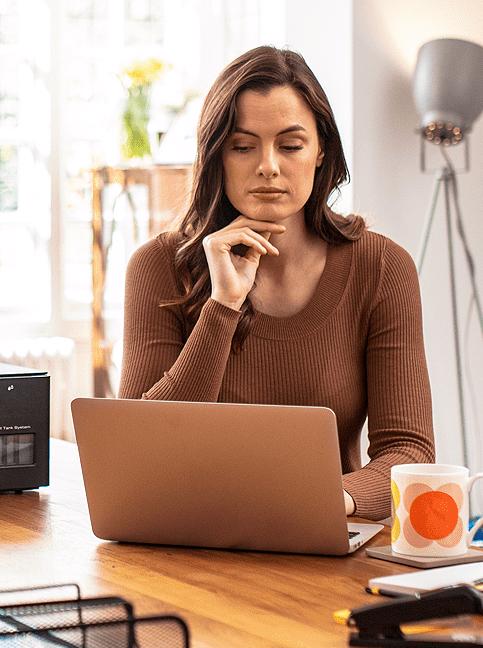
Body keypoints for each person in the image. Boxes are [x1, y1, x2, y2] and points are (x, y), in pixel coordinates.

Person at [119, 46, 435, 521]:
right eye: (243, 146)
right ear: (216, 155)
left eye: (290, 145)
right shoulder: (158, 265)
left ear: (321, 150)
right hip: (187, 539)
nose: (268, 165)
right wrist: (223, 305)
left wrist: (328, 499)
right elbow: (139, 450)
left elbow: (408, 450)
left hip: (327, 530)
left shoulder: (383, 266)